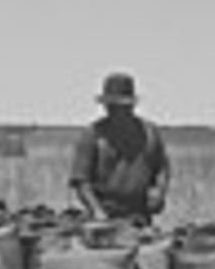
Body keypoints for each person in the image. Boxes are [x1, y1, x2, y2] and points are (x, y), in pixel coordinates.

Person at [70, 73, 170, 227]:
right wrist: (97, 211)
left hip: (139, 216)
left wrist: (159, 191)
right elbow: (81, 181)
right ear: (105, 106)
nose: (117, 112)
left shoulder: (149, 133)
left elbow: (162, 168)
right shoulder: (93, 135)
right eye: (112, 107)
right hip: (104, 214)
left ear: (132, 106)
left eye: (123, 107)